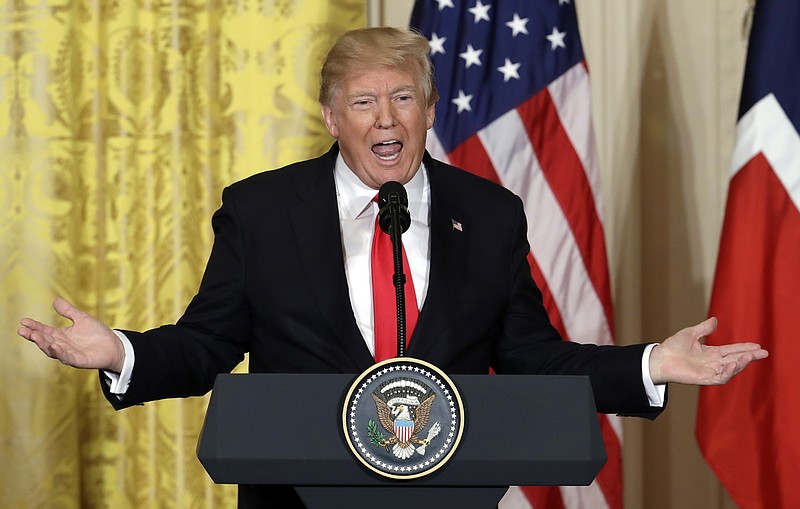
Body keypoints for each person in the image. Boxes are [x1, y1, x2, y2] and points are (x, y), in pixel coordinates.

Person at [18, 27, 768, 508]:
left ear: (430, 108)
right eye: (365, 101)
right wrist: (120, 350)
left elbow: (535, 356)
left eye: (404, 97)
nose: (387, 118)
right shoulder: (261, 212)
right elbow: (208, 343)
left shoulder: (491, 213)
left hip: (452, 493)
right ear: (330, 115)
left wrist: (652, 363)